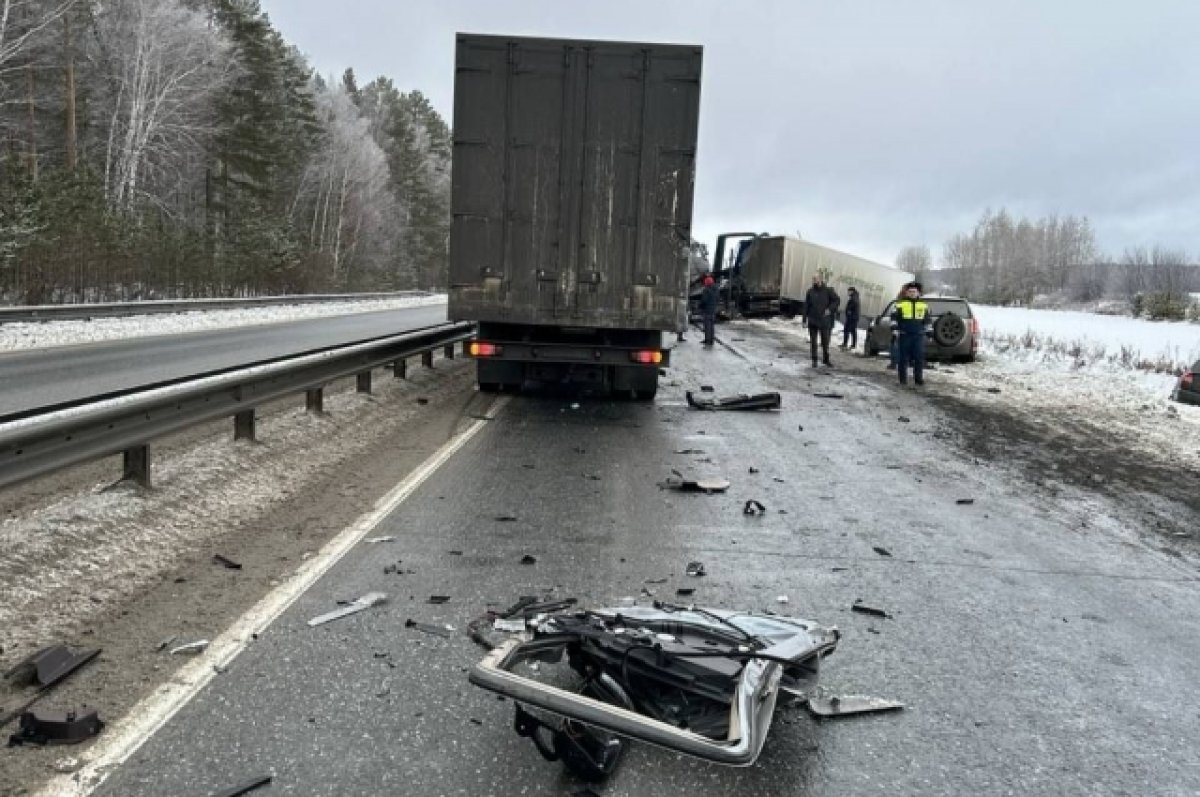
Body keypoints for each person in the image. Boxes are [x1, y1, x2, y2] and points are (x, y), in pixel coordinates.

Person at [891, 282, 931, 385]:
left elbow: (927, 320)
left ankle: (918, 380)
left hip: (918, 335)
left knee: (919, 358)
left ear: (918, 293)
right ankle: (903, 380)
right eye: (910, 291)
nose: (912, 293)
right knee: (903, 359)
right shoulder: (900, 304)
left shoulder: (923, 305)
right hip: (905, 335)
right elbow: (894, 318)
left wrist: (929, 332)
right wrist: (895, 329)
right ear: (907, 293)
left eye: (914, 291)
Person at [700, 275, 718, 346]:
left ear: (706, 283)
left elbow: (704, 300)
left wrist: (700, 306)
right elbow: (717, 299)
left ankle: (707, 340)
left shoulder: (706, 290)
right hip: (713, 309)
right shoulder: (716, 289)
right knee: (712, 326)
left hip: (707, 310)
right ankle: (711, 340)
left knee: (707, 326)